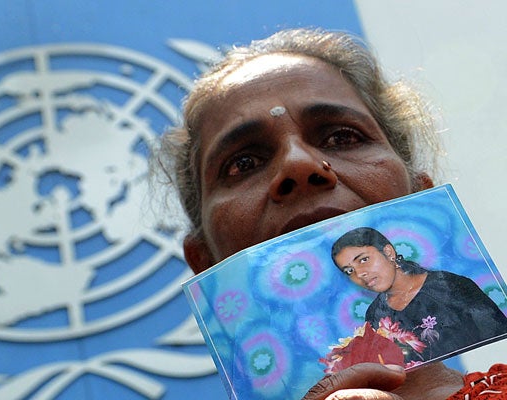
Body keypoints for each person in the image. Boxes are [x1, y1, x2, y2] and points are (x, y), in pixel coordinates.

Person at [156, 27, 506, 399]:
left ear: (419, 196)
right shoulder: (377, 312)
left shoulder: (455, 291)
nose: (298, 165)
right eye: (243, 163)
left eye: (342, 137)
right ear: (205, 261)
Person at [332, 226, 507, 363]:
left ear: (388, 252)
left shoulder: (449, 286)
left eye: (363, 260)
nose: (360, 273)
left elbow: (500, 338)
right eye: (349, 271)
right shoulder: (375, 314)